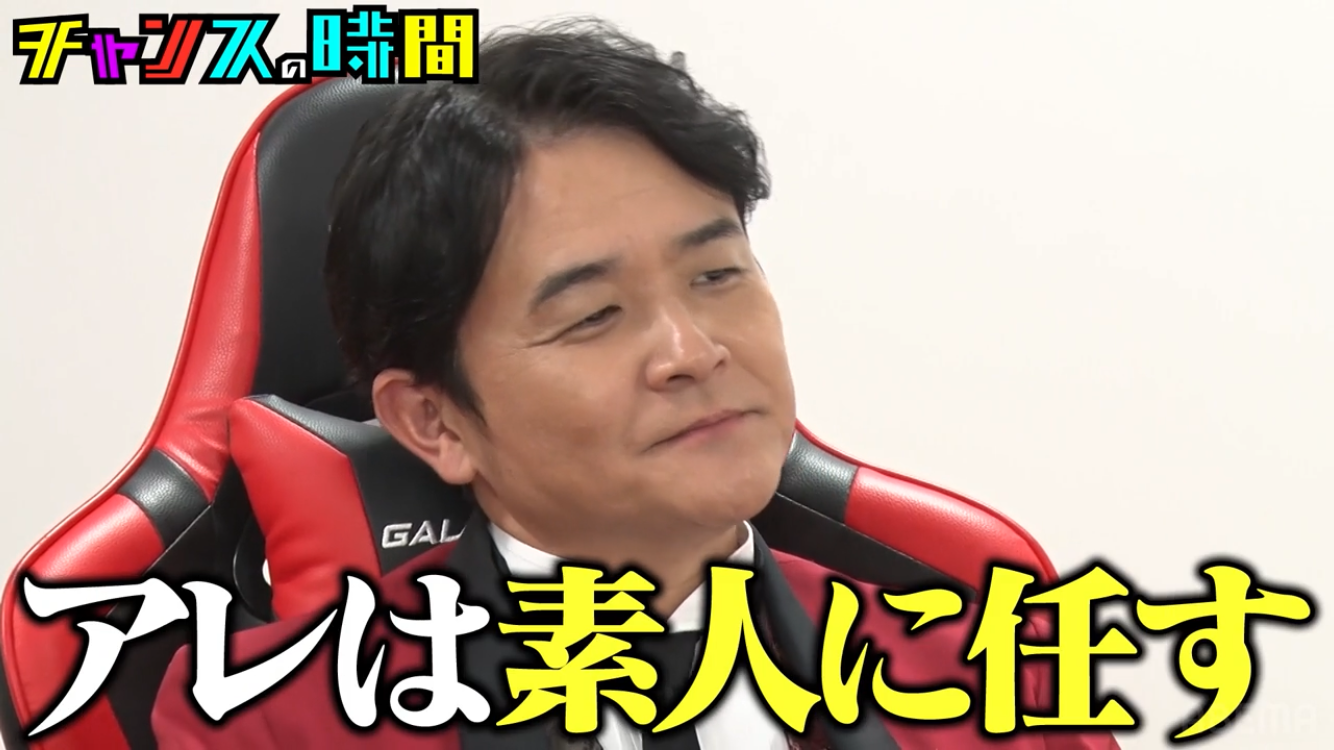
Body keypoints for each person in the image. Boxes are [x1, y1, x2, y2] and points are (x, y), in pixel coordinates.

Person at [152, 18, 1121, 750]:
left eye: (717, 275)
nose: (690, 351)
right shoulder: (266, 718)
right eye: (593, 315)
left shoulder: (983, 680)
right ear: (435, 421)